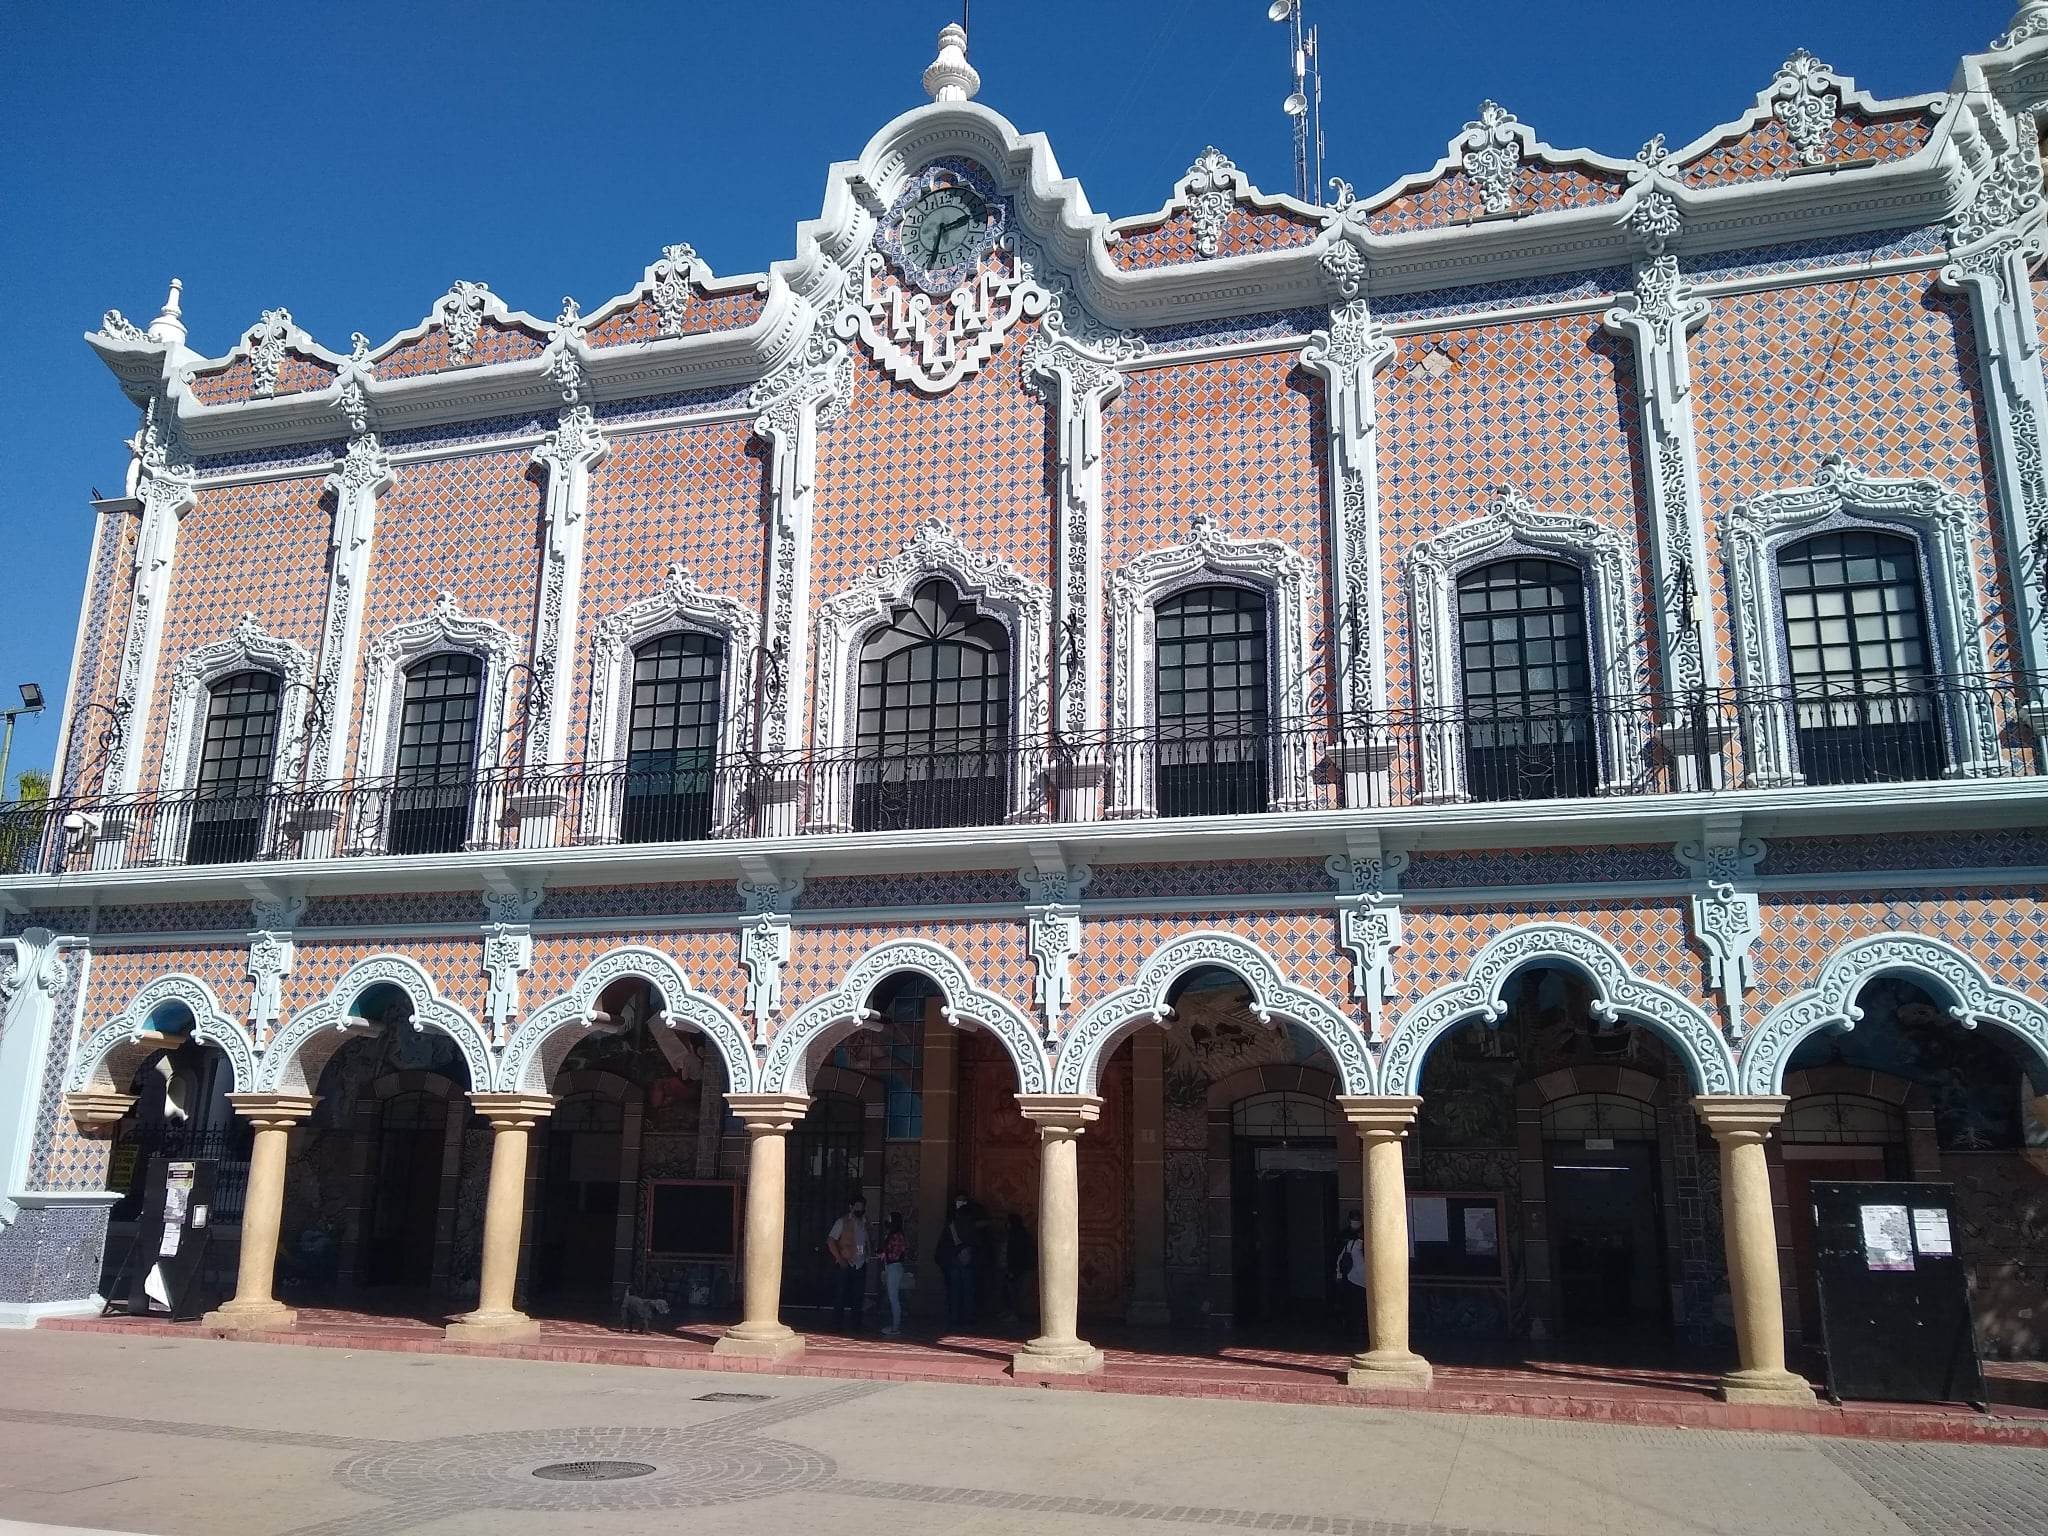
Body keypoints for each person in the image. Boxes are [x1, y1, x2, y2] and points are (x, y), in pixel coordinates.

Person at [934, 1192, 977, 1330]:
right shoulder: (971, 1225)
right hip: (966, 1260)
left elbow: (944, 1244)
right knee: (967, 1290)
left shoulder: (951, 1225)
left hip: (954, 1260)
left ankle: (955, 1316)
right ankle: (967, 1317)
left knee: (955, 1290)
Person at [827, 1194, 868, 1331]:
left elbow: (866, 1242)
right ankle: (836, 1324)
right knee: (841, 1294)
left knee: (858, 1296)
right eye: (857, 1207)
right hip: (845, 1263)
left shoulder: (865, 1223)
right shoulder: (842, 1222)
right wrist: (839, 1258)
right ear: (851, 1207)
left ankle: (856, 1324)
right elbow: (831, 1240)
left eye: (862, 1207)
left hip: (860, 1263)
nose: (860, 1210)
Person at [1002, 1211, 1037, 1325]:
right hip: (1023, 1268)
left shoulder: (1016, 1236)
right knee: (1018, 1293)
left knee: (1017, 1293)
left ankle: (1016, 1314)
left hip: (1019, 1269)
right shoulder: (1023, 1235)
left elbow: (1015, 1254)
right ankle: (1015, 1313)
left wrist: (1012, 1270)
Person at [879, 1212, 910, 1336]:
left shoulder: (896, 1236)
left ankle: (895, 1327)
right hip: (891, 1267)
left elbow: (895, 1254)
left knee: (893, 1297)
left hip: (894, 1267)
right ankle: (894, 1325)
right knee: (892, 1296)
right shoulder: (893, 1235)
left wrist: (884, 1254)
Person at [1334, 1210, 1366, 1328]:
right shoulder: (1347, 1239)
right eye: (1354, 1219)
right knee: (1350, 1303)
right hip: (1351, 1278)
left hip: (1361, 1280)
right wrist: (1338, 1274)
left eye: (1358, 1219)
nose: (1356, 1222)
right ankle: (1350, 1325)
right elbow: (1339, 1257)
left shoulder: (1368, 1242)